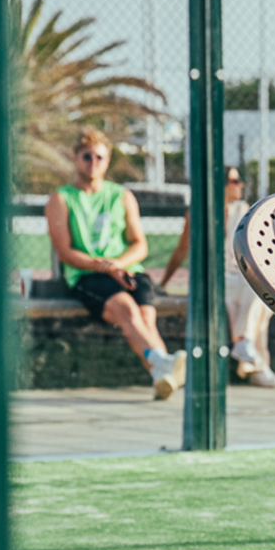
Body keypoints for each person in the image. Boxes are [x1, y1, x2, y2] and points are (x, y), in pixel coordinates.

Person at [46, 128, 186, 400]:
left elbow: (139, 244)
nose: (93, 162)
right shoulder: (60, 199)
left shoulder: (122, 196)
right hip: (87, 275)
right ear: (75, 159)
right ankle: (162, 364)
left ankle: (161, 373)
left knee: (146, 318)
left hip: (128, 270)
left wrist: (119, 264)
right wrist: (106, 267)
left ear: (107, 161)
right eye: (87, 156)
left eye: (99, 157)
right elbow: (65, 252)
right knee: (127, 310)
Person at [160, 167, 275, 388]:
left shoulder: (243, 210)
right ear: (221, 185)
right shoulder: (198, 212)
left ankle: (245, 346)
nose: (240, 185)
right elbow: (181, 250)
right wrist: (163, 283)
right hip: (211, 279)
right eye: (235, 180)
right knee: (253, 304)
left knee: (264, 292)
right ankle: (255, 365)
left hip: (240, 276)